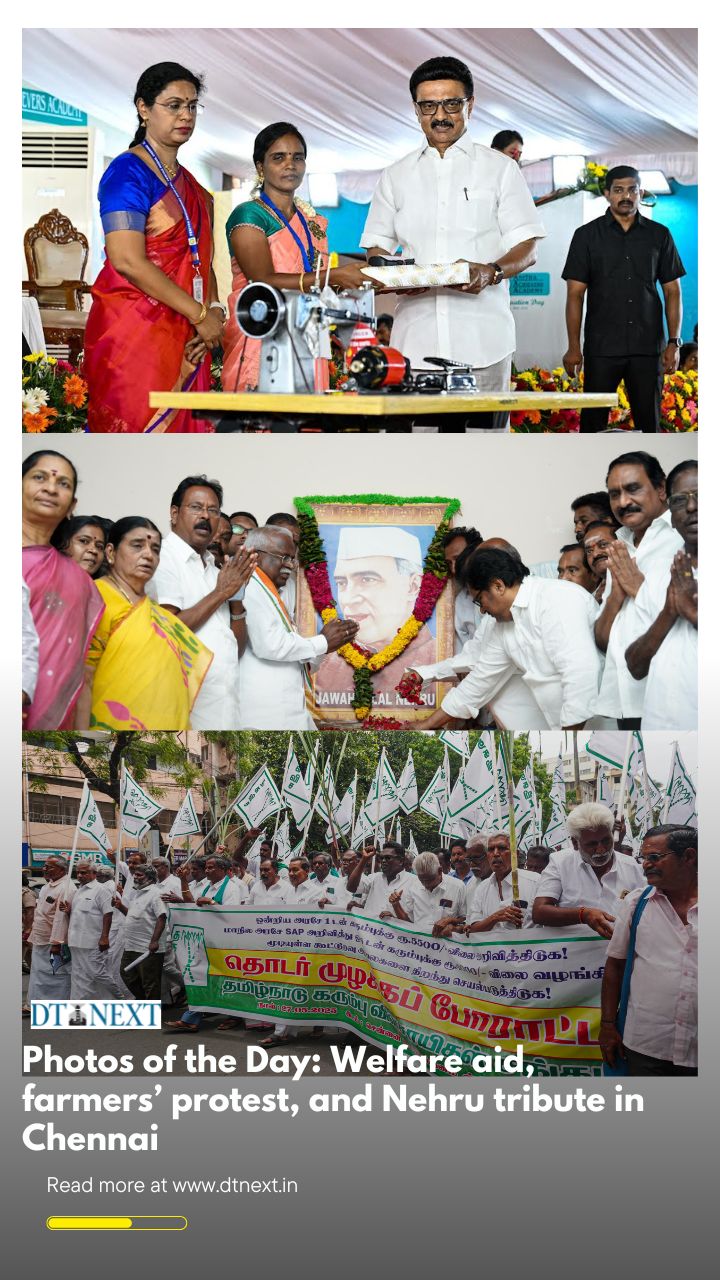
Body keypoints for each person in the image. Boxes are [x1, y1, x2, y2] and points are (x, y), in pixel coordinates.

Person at [361, 56, 545, 431]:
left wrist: (491, 271)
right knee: (421, 462)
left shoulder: (500, 169)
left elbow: (528, 247)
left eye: (452, 104)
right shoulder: (396, 175)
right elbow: (376, 251)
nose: (440, 115)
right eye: (428, 105)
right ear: (416, 110)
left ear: (470, 105)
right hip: (415, 344)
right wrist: (399, 277)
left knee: (487, 460)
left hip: (485, 341)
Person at [84, 62, 224, 433]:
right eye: (174, 105)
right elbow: (126, 260)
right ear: (143, 108)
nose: (185, 115)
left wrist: (213, 311)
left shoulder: (192, 185)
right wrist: (199, 315)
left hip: (189, 334)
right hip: (135, 333)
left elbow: (202, 260)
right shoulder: (126, 173)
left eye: (193, 106)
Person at [222, 121, 370, 392]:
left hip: (308, 332)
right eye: (278, 157)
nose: (290, 164)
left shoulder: (310, 220)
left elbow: (320, 282)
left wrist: (363, 282)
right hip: (262, 332)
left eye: (297, 157)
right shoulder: (249, 215)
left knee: (307, 426)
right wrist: (335, 275)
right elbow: (263, 280)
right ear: (260, 167)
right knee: (264, 427)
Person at [562, 164, 686, 432]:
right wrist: (574, 346)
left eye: (632, 189)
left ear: (641, 192)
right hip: (602, 347)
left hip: (647, 347)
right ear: (607, 193)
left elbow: (672, 290)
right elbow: (575, 294)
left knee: (649, 424)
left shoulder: (659, 235)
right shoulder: (586, 236)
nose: (626, 196)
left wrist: (674, 342)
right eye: (618, 190)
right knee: (593, 425)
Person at [422, 548, 600, 729]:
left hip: (590, 729)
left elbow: (580, 673)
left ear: (498, 586)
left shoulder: (555, 598)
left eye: (479, 600)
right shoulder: (503, 624)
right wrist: (426, 725)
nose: (482, 610)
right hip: (560, 731)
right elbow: (479, 681)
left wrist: (570, 739)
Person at [75, 517, 213, 730]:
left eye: (155, 549)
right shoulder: (95, 598)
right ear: (111, 553)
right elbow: (82, 680)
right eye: (137, 546)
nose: (148, 554)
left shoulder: (159, 614)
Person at [148, 476, 257, 727]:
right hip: (187, 708)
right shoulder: (163, 557)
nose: (205, 516)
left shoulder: (211, 566)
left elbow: (235, 649)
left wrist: (236, 597)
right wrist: (221, 592)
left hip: (224, 706)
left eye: (213, 510)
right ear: (174, 514)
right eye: (196, 507)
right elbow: (168, 630)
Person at [600, 825, 697, 1076]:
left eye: (654, 857)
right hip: (646, 1047)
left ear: (688, 857)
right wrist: (608, 1025)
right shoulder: (636, 903)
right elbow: (615, 967)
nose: (645, 865)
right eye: (644, 858)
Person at [594, 452, 683, 726]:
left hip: (673, 698)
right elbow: (602, 641)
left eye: (633, 489)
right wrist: (614, 600)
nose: (623, 502)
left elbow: (691, 624)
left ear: (660, 489)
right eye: (614, 494)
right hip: (625, 703)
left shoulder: (684, 537)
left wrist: (638, 588)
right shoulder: (619, 546)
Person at [237, 526, 357, 728]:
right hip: (266, 718)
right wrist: (323, 642)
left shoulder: (269, 591)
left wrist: (326, 645)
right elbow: (270, 645)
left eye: (292, 559)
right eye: (283, 557)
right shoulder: (250, 587)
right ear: (254, 555)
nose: (290, 566)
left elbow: (295, 657)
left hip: (286, 713)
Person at [22, 452, 104, 729]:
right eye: (39, 477)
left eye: (64, 484)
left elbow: (76, 672)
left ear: (72, 505)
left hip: (48, 720)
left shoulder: (78, 582)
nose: (50, 488)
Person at [315, 526, 436, 703]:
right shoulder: (327, 665)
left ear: (413, 586)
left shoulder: (438, 659)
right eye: (341, 583)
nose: (348, 599)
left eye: (367, 580)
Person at [625, 460, 697, 729]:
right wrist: (669, 612)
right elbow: (635, 665)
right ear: (672, 514)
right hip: (660, 732)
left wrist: (696, 616)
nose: (691, 507)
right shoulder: (657, 575)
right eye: (680, 500)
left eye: (701, 496)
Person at [532, 802, 646, 937]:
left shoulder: (631, 866)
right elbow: (539, 912)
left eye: (606, 841)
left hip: (621, 955)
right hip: (575, 956)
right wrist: (582, 915)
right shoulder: (560, 862)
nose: (601, 849)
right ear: (575, 843)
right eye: (592, 844)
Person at [63, 860, 124, 1000]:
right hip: (76, 941)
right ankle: (80, 1010)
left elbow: (108, 914)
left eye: (84, 872)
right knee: (79, 976)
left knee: (98, 973)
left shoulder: (101, 890)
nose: (80, 875)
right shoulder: (79, 891)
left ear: (94, 874)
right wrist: (68, 911)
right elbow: (78, 915)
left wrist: (104, 937)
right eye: (78, 872)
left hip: (93, 942)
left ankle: (120, 999)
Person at [114, 864, 167, 1000]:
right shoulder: (138, 892)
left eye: (139, 875)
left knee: (150, 982)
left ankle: (151, 1013)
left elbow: (161, 917)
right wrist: (120, 907)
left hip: (148, 948)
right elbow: (132, 915)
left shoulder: (156, 893)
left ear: (149, 878)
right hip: (131, 945)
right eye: (135, 875)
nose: (135, 878)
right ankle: (144, 1002)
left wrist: (154, 941)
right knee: (126, 974)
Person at [26, 856, 75, 1002]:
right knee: (38, 974)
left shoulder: (67, 888)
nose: (44, 869)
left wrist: (56, 943)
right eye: (44, 866)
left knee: (56, 975)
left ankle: (56, 1004)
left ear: (62, 869)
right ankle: (35, 1002)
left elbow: (61, 918)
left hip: (52, 942)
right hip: (40, 938)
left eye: (49, 867)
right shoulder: (47, 886)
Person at [466, 834, 538, 932]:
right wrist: (495, 917)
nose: (495, 853)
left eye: (502, 848)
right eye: (491, 849)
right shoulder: (482, 888)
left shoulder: (535, 881)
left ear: (515, 854)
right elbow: (473, 928)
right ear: (487, 856)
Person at [389, 851, 466, 935]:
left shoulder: (457, 887)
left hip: (447, 945)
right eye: (422, 880)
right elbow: (408, 922)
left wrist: (450, 922)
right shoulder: (413, 887)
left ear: (439, 871)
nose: (426, 884)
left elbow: (465, 919)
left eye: (430, 880)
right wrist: (396, 905)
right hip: (419, 944)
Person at [346, 841, 414, 919]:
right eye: (381, 858)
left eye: (388, 858)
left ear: (401, 861)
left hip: (394, 931)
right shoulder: (374, 878)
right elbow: (351, 887)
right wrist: (364, 859)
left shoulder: (414, 883)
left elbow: (416, 923)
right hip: (368, 930)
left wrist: (395, 919)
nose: (383, 861)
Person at [443, 526, 483, 649]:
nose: (454, 569)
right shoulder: (460, 602)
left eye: (457, 559)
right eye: (449, 563)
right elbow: (464, 655)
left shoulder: (505, 588)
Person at [266, 512, 301, 619]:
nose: (290, 546)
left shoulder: (291, 583)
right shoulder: (246, 579)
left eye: (295, 542)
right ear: (266, 537)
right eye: (285, 538)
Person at [582, 521, 619, 603]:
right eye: (589, 551)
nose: (595, 554)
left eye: (603, 545)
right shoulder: (592, 599)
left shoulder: (643, 575)